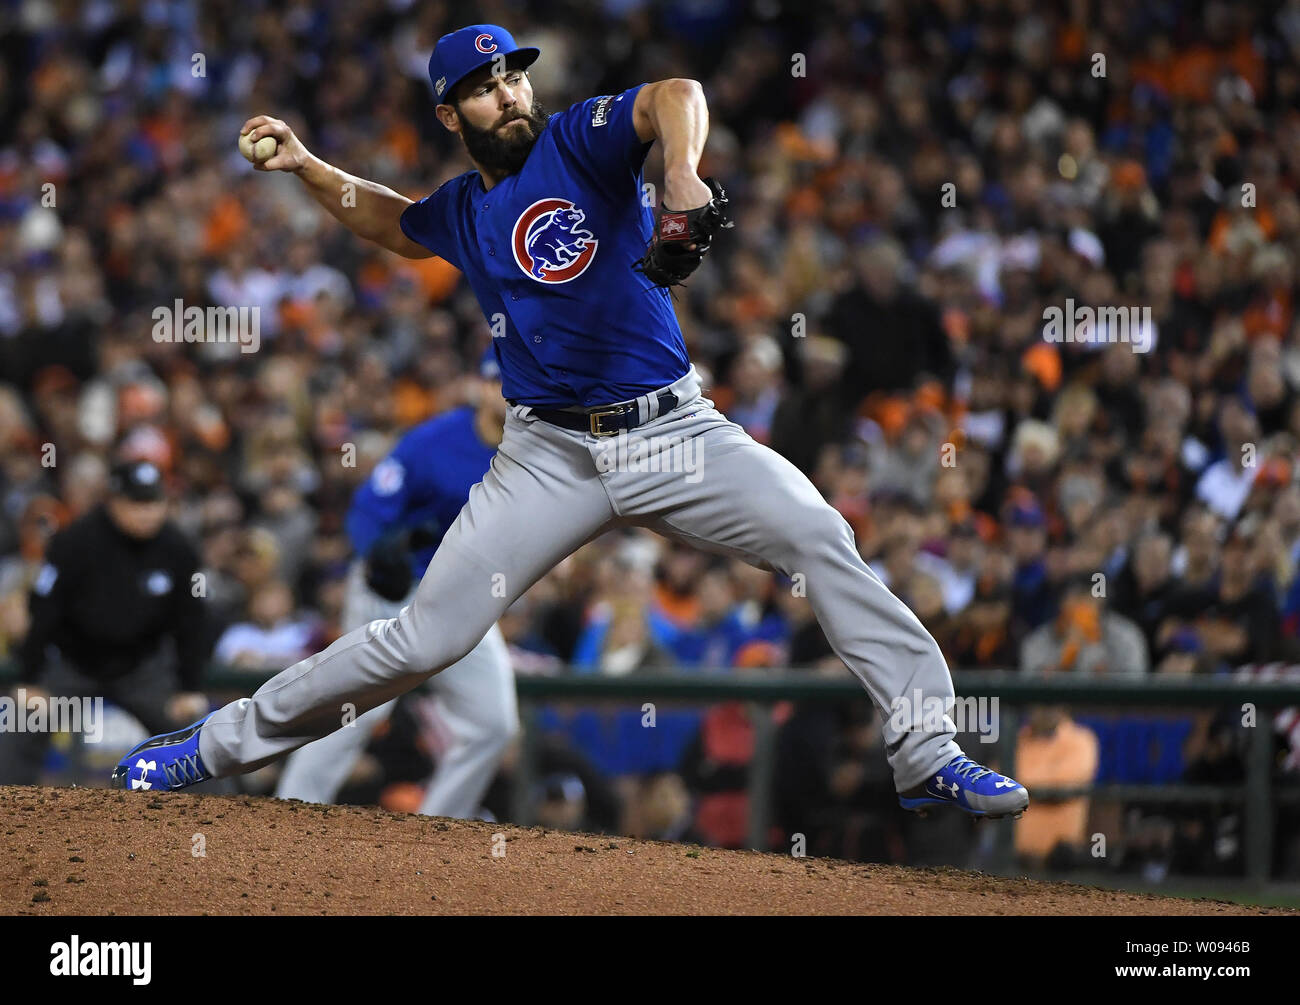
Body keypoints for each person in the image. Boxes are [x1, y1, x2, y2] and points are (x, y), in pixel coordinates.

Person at [113, 23, 1028, 821]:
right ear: (449, 116)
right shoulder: (467, 212)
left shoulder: (578, 143)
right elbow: (393, 223)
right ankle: (216, 745)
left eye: (512, 74)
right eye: (480, 87)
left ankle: (926, 748)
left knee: (822, 535)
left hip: (674, 431)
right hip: (547, 453)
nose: (506, 93)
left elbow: (678, 93)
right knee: (426, 637)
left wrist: (677, 171)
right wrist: (309, 166)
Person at [273, 363, 518, 819]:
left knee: (493, 723)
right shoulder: (432, 441)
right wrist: (376, 550)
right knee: (358, 711)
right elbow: (368, 508)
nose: (508, 392)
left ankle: (440, 827)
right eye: (499, 382)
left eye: (517, 381)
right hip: (393, 587)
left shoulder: (534, 449)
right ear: (480, 387)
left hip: (462, 596)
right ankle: (291, 811)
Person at [1, 460, 210, 784]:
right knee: (20, 719)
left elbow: (192, 621)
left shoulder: (178, 549)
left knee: (197, 736)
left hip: (142, 668)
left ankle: (224, 827)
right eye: (136, 503)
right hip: (73, 664)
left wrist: (189, 687)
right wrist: (31, 677)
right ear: (114, 500)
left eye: (154, 502)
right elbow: (44, 609)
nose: (146, 513)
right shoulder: (76, 540)